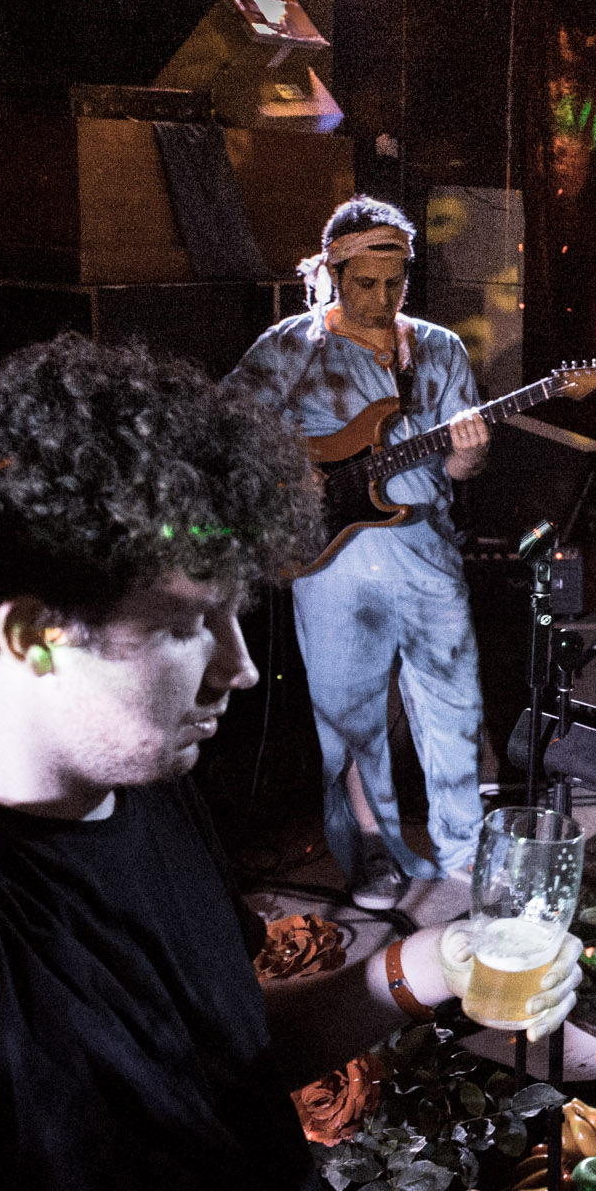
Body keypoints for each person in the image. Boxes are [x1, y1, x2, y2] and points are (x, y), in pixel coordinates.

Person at [0, 335, 580, 1191]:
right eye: (185, 624)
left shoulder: (147, 789)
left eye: (235, 612)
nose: (238, 667)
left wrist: (423, 967)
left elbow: (224, 1044)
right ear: (32, 637)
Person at [231, 197, 494, 909]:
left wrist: (470, 454)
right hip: (332, 556)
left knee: (453, 702)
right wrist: (291, 473)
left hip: (427, 547)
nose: (382, 298)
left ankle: (464, 852)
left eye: (395, 282)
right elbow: (224, 428)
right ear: (333, 273)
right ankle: (372, 848)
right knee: (350, 715)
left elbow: (459, 468)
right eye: (365, 283)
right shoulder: (291, 346)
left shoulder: (439, 348)